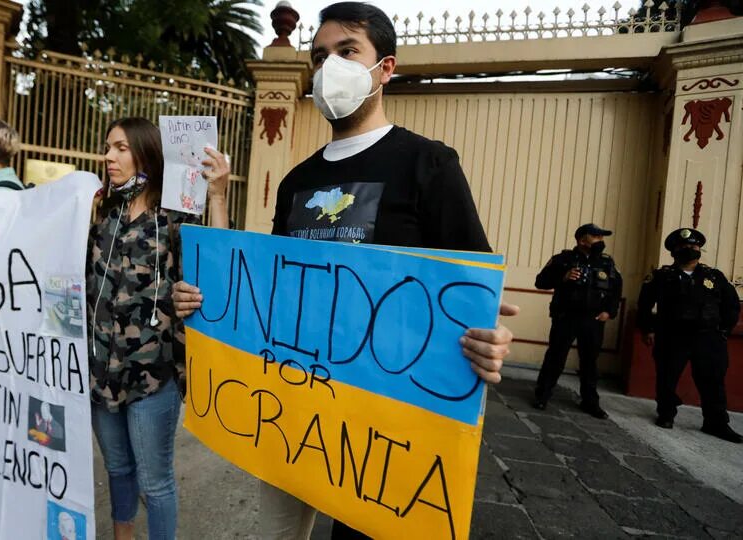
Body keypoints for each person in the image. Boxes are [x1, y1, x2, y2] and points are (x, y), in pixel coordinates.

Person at [171, 3, 517, 539]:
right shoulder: (296, 181)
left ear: (386, 69)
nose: (329, 66)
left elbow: (472, 287)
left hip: (383, 427)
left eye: (347, 51)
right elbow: (271, 287)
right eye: (319, 55)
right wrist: (206, 301)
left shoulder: (429, 164)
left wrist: (492, 337)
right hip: (293, 410)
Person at [88, 117, 230, 540]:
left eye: (120, 148)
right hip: (100, 370)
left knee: (155, 482)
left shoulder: (175, 215)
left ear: (146, 153)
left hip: (153, 374)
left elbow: (215, 263)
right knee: (117, 468)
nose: (109, 156)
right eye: (108, 147)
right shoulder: (100, 211)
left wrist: (218, 195)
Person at [637, 228, 741, 443]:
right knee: (667, 377)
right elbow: (645, 305)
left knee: (713, 382)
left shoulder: (714, 276)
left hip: (708, 338)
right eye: (684, 247)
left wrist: (724, 330)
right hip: (673, 336)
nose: (690, 250)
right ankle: (666, 414)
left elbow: (731, 305)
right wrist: (648, 329)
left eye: (694, 246)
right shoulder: (662, 277)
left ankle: (716, 422)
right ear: (674, 252)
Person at [531, 223, 622, 419]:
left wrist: (609, 312)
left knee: (590, 362)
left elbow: (616, 290)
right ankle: (542, 396)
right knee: (556, 357)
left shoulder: (607, 263)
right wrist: (562, 277)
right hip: (566, 317)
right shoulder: (563, 259)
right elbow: (540, 282)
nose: (601, 241)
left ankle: (590, 402)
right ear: (582, 240)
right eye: (596, 237)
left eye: (602, 237)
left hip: (593, 320)